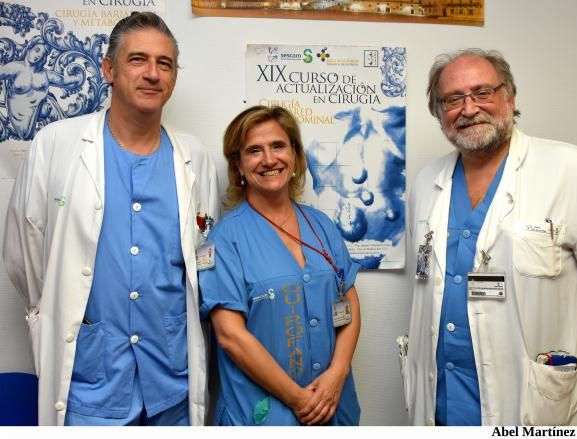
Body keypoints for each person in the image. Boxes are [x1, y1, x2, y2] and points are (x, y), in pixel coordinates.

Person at [3, 12, 219, 425]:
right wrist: (55, 310)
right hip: (90, 384)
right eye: (137, 60)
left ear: (174, 77)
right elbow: (23, 254)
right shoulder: (57, 145)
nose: (152, 74)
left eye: (165, 63)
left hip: (171, 381)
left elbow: (202, 262)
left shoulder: (195, 158)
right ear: (108, 69)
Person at [402, 48, 577, 426]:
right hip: (442, 397)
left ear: (510, 97)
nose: (468, 108)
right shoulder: (425, 185)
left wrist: (571, 323)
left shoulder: (574, 172)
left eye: (482, 92)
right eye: (453, 99)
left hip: (534, 399)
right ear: (438, 111)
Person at [199, 105, 361, 425]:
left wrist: (338, 373)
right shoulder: (224, 240)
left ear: (296, 155)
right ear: (239, 166)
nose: (269, 160)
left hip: (332, 404)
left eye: (278, 146)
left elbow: (349, 301)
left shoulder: (321, 226)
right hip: (263, 414)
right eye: (254, 151)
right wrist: (298, 399)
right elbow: (231, 336)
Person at [0, 36, 82, 140]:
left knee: (49, 102)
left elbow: (64, 80)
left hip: (38, 113)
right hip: (18, 117)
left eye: (41, 54)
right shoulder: (14, 68)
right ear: (30, 47)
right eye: (37, 50)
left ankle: (67, 137)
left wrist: (78, 77)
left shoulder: (45, 74)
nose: (38, 56)